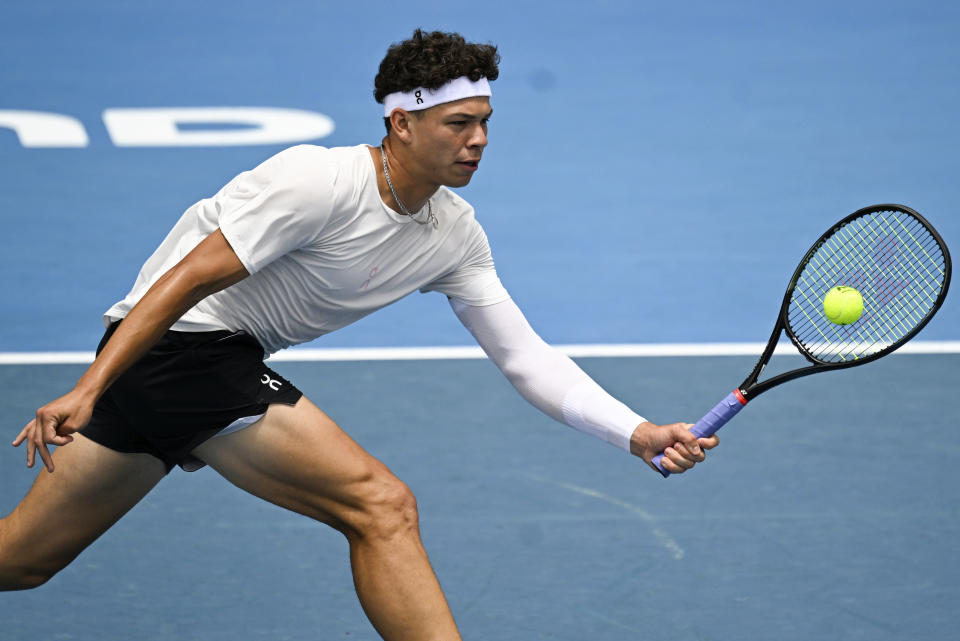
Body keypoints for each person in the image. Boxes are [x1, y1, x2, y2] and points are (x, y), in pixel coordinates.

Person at [0, 29, 718, 641]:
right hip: (178, 347)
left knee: (23, 561)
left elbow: (524, 355)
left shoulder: (453, 235)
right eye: (458, 123)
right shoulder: (319, 181)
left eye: (485, 122)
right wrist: (90, 387)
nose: (479, 141)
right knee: (381, 504)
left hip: (188, 365)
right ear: (402, 123)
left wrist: (637, 431)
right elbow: (186, 278)